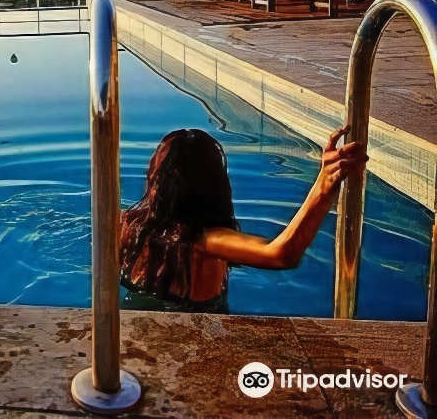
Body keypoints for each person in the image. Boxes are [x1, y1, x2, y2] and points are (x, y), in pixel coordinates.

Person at [120, 126, 368, 313]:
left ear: (155, 178)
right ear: (217, 185)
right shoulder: (204, 241)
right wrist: (323, 187)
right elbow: (281, 254)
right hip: (198, 331)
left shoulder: (129, 225)